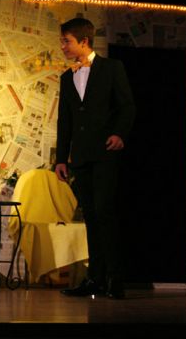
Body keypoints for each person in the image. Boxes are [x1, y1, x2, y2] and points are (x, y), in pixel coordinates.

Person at [55, 18, 135, 299]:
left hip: (105, 153)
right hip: (81, 156)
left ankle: (115, 277)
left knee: (105, 211)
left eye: (67, 41)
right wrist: (61, 158)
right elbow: (64, 121)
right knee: (89, 215)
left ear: (84, 41)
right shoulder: (67, 78)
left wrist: (119, 133)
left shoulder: (112, 68)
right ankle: (95, 278)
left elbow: (127, 106)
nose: (63, 46)